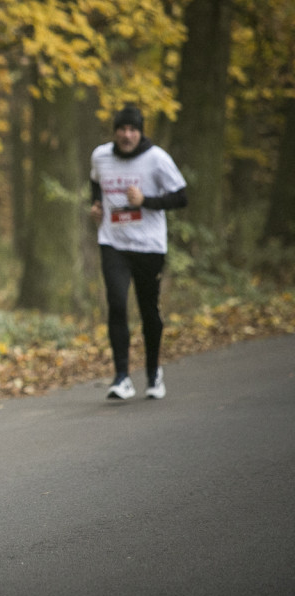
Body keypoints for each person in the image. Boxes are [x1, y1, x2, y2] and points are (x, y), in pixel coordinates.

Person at [89, 105, 188, 401]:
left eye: (133, 129)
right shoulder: (101, 156)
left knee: (148, 309)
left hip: (148, 245)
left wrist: (146, 200)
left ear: (141, 132)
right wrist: (96, 204)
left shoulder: (156, 159)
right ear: (115, 131)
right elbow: (95, 181)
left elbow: (181, 197)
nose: (127, 135)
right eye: (122, 129)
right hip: (113, 241)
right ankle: (121, 377)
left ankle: (153, 371)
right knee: (117, 304)